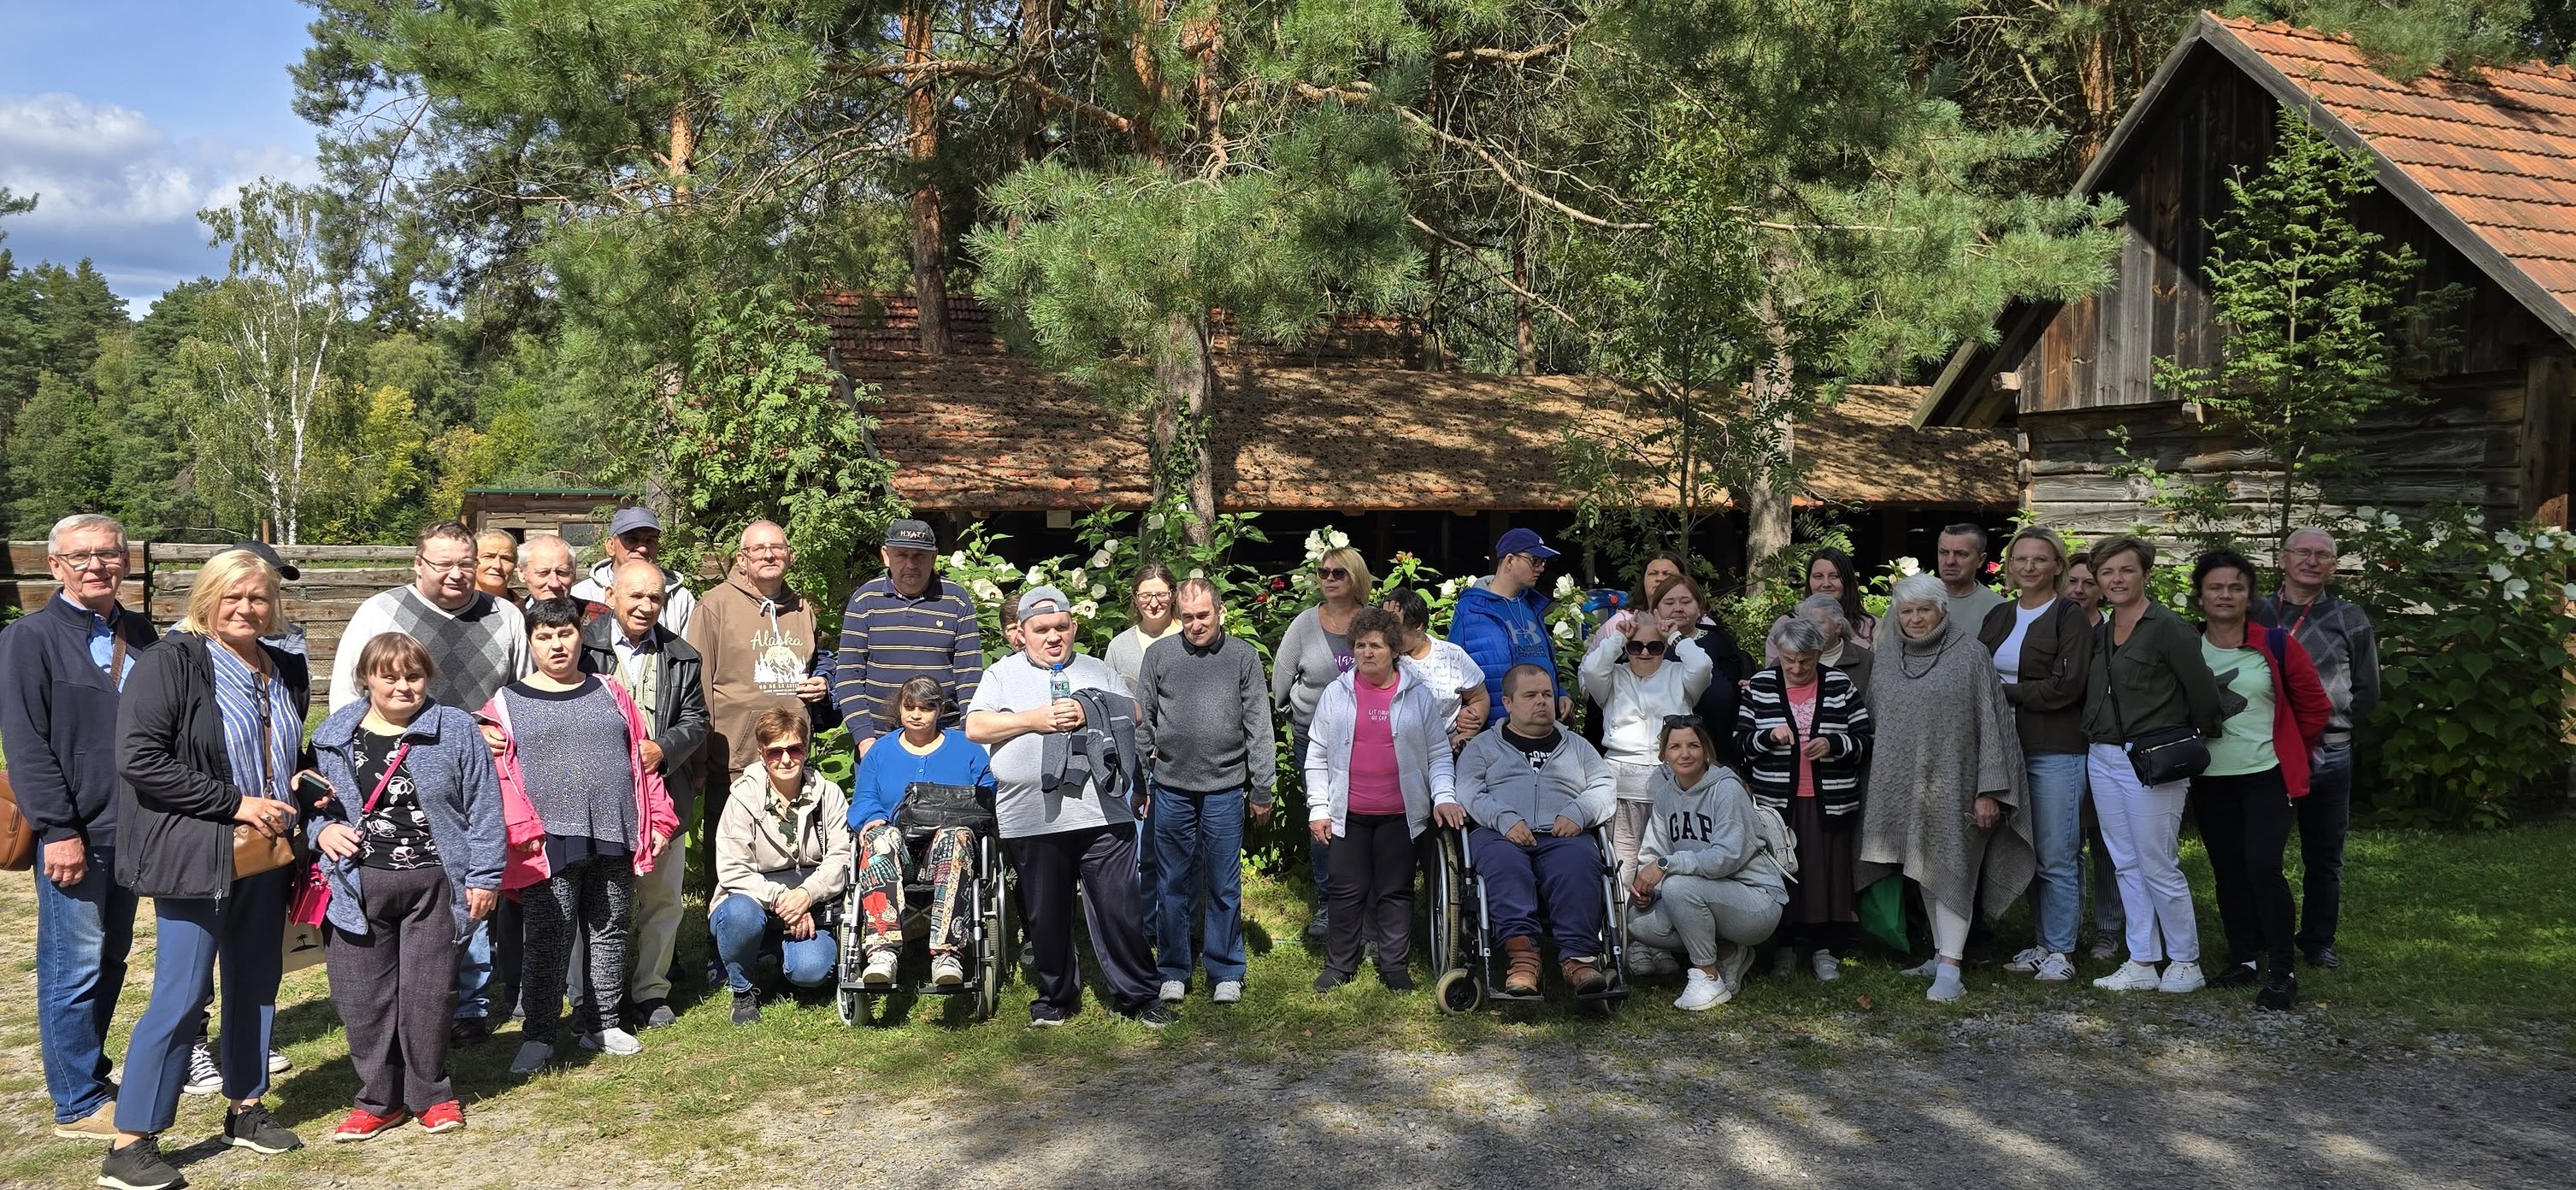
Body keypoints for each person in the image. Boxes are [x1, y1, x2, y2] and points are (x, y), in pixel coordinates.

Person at [103, 549, 309, 1188]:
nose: (247, 608)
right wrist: (235, 802)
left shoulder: (283, 665)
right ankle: (131, 1142)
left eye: (258, 597)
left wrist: (300, 781)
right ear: (207, 598)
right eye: (233, 596)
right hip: (197, 850)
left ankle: (245, 1108)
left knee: (256, 981)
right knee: (182, 991)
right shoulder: (172, 661)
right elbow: (139, 758)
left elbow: (284, 748)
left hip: (267, 851)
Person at [333, 521, 531, 1041]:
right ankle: (406, 996)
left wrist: (499, 732)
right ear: (418, 564)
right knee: (420, 884)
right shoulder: (379, 612)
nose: (456, 574)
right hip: (397, 772)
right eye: (443, 564)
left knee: (472, 878)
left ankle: (468, 1004)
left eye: (466, 563)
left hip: (482, 768)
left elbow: (520, 693)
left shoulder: (505, 615)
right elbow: (346, 697)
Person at [308, 633, 505, 1140]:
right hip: (356, 886)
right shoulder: (332, 736)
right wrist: (321, 831)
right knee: (362, 999)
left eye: (413, 676)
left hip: (435, 884)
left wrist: (484, 876)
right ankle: (379, 1100)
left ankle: (431, 1094)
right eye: (389, 676)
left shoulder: (455, 729)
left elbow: (485, 806)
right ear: (366, 679)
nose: (402, 686)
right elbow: (311, 806)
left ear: (428, 678)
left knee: (429, 995)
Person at [1, 514, 155, 1140]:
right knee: (73, 967)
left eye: (108, 554)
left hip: (134, 828)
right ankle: (76, 1102)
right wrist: (58, 829)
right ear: (55, 565)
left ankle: (87, 1073)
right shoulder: (29, 639)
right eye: (81, 556)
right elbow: (25, 744)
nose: (96, 565)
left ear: (126, 561)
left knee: (112, 957)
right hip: (76, 833)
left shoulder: (140, 632)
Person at [485, 598, 678, 1075]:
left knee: (610, 927)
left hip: (615, 829)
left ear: (580, 636)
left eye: (565, 634)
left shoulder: (611, 691)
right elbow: (495, 773)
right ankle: (539, 1035)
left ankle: (603, 1023)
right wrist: (478, 731)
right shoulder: (505, 703)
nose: (557, 645)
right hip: (545, 841)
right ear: (531, 642)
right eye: (545, 636)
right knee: (549, 935)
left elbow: (642, 761)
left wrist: (659, 819)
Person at [965, 586, 1170, 1027]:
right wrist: (1032, 720)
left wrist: (1089, 708)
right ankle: (1056, 996)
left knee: (1120, 909)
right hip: (1031, 816)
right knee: (1046, 915)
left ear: (1074, 627)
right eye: (1041, 629)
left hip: (1103, 811)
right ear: (1021, 633)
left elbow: (1135, 711)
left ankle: (1139, 996)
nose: (1053, 636)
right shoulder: (1000, 675)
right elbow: (976, 727)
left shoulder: (1097, 668)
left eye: (1061, 626)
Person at [1857, 574, 2033, 1004]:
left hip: (1959, 785)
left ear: (1942, 611)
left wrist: (1990, 791)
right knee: (1923, 865)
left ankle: (1952, 969)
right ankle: (1940, 955)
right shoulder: (1887, 655)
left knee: (1953, 867)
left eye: (1925, 610)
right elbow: (1878, 720)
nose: (1915, 619)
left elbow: (1993, 725)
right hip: (1903, 787)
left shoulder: (1970, 654)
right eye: (1907, 611)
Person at [2081, 534, 2224, 995]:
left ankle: (2186, 961)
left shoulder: (2169, 628)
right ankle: (2142, 960)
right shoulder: (2103, 630)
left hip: (2150, 758)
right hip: (2103, 755)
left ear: (2146, 573)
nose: (2116, 579)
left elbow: (2204, 694)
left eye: (2126, 569)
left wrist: (2188, 738)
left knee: (2158, 862)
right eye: (2107, 572)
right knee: (2124, 861)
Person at [2191, 550, 2330, 1010]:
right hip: (2209, 777)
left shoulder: (2275, 644)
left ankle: (2282, 970)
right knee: (2228, 869)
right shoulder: (2187, 646)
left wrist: (2289, 747)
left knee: (2262, 866)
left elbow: (2315, 706)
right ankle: (2244, 957)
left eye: (2236, 587)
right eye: (2215, 587)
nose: (2225, 595)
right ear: (2200, 596)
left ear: (2249, 597)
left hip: (2266, 774)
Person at [581, 558, 710, 1030]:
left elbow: (696, 719)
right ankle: (590, 994)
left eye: (655, 597)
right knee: (595, 901)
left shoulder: (682, 654)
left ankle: (652, 990)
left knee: (662, 901)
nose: (645, 605)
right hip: (594, 798)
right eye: (635, 595)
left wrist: (664, 748)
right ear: (611, 596)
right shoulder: (582, 648)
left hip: (663, 796)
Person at [1135, 579, 1274, 1004]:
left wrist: (1262, 787)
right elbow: (1143, 720)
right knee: (1171, 882)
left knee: (1223, 883)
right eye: (1188, 617)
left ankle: (1226, 968)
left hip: (1225, 788)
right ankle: (1173, 968)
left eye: (1203, 616)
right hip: (1171, 787)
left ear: (1220, 611)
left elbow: (1259, 725)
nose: (1196, 625)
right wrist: (1142, 779)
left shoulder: (1242, 657)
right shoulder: (1160, 655)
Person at [1304, 607, 1454, 993]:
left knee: (1396, 891)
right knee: (1345, 891)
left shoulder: (1417, 695)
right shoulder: (1336, 693)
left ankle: (1394, 966)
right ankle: (1339, 965)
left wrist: (1443, 797)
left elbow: (1439, 753)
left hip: (1400, 814)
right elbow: (1317, 754)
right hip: (1348, 813)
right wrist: (1319, 808)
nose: (1366, 653)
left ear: (1394, 650)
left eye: (1375, 646)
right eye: (1360, 645)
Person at [2251, 525, 2379, 970]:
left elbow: (2366, 689)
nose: (2311, 561)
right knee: (2261, 853)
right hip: (2264, 750)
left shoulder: (2350, 617)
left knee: (2324, 855)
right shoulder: (2254, 612)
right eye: (2302, 552)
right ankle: (2260, 937)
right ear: (2282, 559)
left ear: (2334, 566)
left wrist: (2328, 725)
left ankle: (2318, 941)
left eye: (2322, 555)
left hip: (2329, 753)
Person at [1446, 664, 1616, 995]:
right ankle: (1523, 960)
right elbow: (1467, 790)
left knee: (1580, 863)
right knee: (1503, 864)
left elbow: (1604, 786)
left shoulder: (1578, 746)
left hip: (1563, 833)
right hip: (1499, 833)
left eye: (1547, 694)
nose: (1542, 701)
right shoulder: (1483, 746)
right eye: (1531, 695)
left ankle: (1579, 961)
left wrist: (1578, 812)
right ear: (1508, 703)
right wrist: (1503, 819)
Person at [685, 521, 831, 904]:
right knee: (730, 852)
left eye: (777, 548)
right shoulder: (715, 605)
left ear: (790, 556)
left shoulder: (802, 609)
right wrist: (699, 760)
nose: (769, 555)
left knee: (792, 848)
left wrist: (822, 683)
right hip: (733, 754)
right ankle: (726, 929)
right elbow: (697, 684)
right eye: (759, 549)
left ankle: (790, 922)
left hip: (790, 754)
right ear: (741, 558)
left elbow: (817, 665)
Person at [1978, 527, 2095, 985]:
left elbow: (2067, 687)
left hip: (2054, 749)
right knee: (2028, 848)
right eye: (2020, 558)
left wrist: (2005, 692)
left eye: (2040, 559)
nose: (2029, 567)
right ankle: (2043, 944)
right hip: (2006, 750)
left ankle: (2062, 950)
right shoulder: (2000, 615)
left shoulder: (2069, 616)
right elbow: (1975, 671)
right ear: (2009, 565)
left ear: (2058, 566)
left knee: (2056, 853)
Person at [1737, 616, 1870, 981]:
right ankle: (1785, 947)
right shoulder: (1761, 685)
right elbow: (1740, 743)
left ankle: (1824, 949)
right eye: (1789, 660)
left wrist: (1834, 744)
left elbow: (1865, 739)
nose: (1796, 668)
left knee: (1825, 876)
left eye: (1806, 661)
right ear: (1778, 653)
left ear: (1820, 654)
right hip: (1777, 803)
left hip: (1830, 800)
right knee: (1785, 874)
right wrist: (1767, 738)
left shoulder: (1839, 684)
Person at [1577, 601, 1713, 954]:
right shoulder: (1615, 676)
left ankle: (1660, 941)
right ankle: (1629, 942)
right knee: (1623, 864)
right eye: (1636, 646)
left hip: (1671, 782)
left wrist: (1676, 638)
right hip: (1622, 782)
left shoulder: (1679, 674)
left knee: (1665, 863)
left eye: (1654, 646)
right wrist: (1616, 640)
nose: (1645, 653)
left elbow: (1702, 666)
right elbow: (1591, 670)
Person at [1627, 718, 1788, 1010]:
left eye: (1693, 745)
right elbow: (1653, 852)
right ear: (1664, 755)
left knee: (1678, 887)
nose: (1684, 754)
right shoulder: (1666, 796)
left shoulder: (1727, 789)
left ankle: (1708, 976)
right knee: (1640, 922)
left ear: (1706, 752)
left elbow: (1724, 859)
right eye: (1675, 747)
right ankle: (1728, 952)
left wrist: (1666, 865)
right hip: (1704, 894)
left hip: (1756, 900)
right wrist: (1648, 890)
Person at [846, 678, 992, 991]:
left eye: (926, 708)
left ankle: (947, 954)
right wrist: (872, 819)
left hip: (947, 852)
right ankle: (882, 953)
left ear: (940, 709)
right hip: (898, 852)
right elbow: (864, 799)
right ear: (899, 708)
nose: (916, 715)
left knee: (956, 836)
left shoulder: (967, 749)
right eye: (909, 707)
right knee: (879, 839)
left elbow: (987, 795)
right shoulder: (881, 751)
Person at [711, 707, 853, 1024]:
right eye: (775, 751)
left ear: (806, 749)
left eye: (795, 749)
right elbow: (733, 869)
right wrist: (783, 900)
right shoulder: (741, 798)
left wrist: (807, 894)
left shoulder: (829, 794)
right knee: (739, 915)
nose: (786, 759)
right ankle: (742, 990)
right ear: (762, 753)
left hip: (810, 901)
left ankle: (775, 956)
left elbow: (842, 856)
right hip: (752, 900)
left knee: (812, 972)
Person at [1272, 545, 1373, 938]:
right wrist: (1294, 714)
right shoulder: (1304, 624)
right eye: (1324, 572)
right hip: (1314, 741)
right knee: (1323, 817)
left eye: (1338, 573)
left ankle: (1367, 903)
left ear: (1355, 577)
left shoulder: (1373, 622)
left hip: (1370, 739)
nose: (1329, 579)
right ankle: (1330, 903)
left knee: (1367, 818)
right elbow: (1281, 678)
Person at [832, 518, 984, 757]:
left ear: (933, 557)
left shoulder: (956, 600)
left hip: (944, 741)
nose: (911, 564)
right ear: (886, 555)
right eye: (902, 555)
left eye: (919, 556)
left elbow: (970, 677)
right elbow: (848, 675)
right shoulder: (865, 601)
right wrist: (864, 739)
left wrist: (966, 737)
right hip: (880, 743)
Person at [2063, 551, 2124, 958]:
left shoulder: (2113, 633)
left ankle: (2108, 927)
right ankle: (2065, 928)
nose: (2079, 590)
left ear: (2101, 590)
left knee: (2106, 841)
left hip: (2104, 748)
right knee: (2067, 841)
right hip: (2059, 745)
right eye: (2072, 582)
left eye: (2088, 583)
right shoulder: (2049, 627)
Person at [1451, 528, 1572, 727]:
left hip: (1541, 729)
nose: (1541, 568)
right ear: (1509, 561)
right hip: (1495, 729)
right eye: (1535, 560)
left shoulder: (1533, 605)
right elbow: (1452, 669)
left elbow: (1542, 660)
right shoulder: (1470, 608)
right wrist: (1462, 709)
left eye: (1543, 562)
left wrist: (1560, 693)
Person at [1650, 574, 1754, 765]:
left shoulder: (1721, 641)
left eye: (1686, 602)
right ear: (1655, 610)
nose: (1678, 608)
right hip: (1660, 752)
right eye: (1669, 602)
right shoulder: (1646, 646)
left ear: (1699, 608)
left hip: (1721, 747)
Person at [1380, 587, 1488, 745]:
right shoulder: (1384, 655)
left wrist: (1466, 733)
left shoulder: (1452, 655)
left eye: (1396, 631)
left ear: (1418, 626)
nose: (1390, 637)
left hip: (1445, 745)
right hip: (1395, 745)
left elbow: (1479, 697)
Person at [569, 506, 697, 633]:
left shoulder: (680, 598)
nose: (643, 549)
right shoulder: (581, 595)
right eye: (632, 540)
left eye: (650, 541)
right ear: (611, 546)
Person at [1766, 547, 1877, 658]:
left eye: (1834, 576)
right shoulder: (1785, 625)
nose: (1826, 584)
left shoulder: (1871, 627)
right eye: (1818, 576)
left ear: (1848, 581)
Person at [1103, 563, 1182, 691]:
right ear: (1135, 598)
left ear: (1173, 596)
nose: (1154, 603)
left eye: (1161, 595)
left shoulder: (1190, 637)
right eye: (1146, 596)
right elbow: (1109, 694)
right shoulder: (1119, 646)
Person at [1796, 594, 1874, 700]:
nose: (1810, 628)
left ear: (1837, 626)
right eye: (1804, 623)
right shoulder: (1787, 660)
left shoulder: (1866, 661)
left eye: (1817, 623)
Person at [1935, 524, 2007, 630]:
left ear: (1980, 560)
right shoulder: (1916, 600)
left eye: (1961, 554)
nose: (1950, 561)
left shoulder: (1998, 608)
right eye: (1944, 552)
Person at [518, 534, 579, 606]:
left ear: (574, 574)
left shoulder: (589, 611)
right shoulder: (513, 613)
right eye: (543, 573)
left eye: (562, 572)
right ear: (522, 572)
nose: (555, 584)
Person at [474, 530, 519, 602]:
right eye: (488, 557)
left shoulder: (525, 608)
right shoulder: (456, 605)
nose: (497, 566)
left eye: (505, 559)